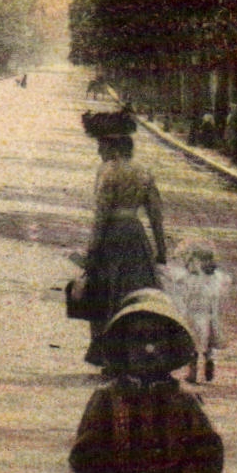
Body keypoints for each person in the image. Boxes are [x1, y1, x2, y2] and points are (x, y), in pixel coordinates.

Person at [70, 288, 224, 473]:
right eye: (138, 339)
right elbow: (84, 455)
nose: (148, 348)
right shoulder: (107, 398)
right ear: (123, 346)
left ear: (170, 346)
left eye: (156, 339)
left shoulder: (183, 399)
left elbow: (209, 453)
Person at [80, 109, 167, 356]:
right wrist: (161, 250)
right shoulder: (144, 172)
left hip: (112, 237)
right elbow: (156, 215)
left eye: (101, 146)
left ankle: (108, 352)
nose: (99, 151)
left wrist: (92, 250)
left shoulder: (108, 171)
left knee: (106, 293)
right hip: (136, 237)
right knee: (138, 293)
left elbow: (100, 216)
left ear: (113, 147)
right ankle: (138, 350)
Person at [165, 246, 231, 383]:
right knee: (205, 341)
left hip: (199, 314)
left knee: (198, 342)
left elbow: (184, 296)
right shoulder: (214, 279)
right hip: (203, 314)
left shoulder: (195, 279)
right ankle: (203, 364)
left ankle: (198, 368)